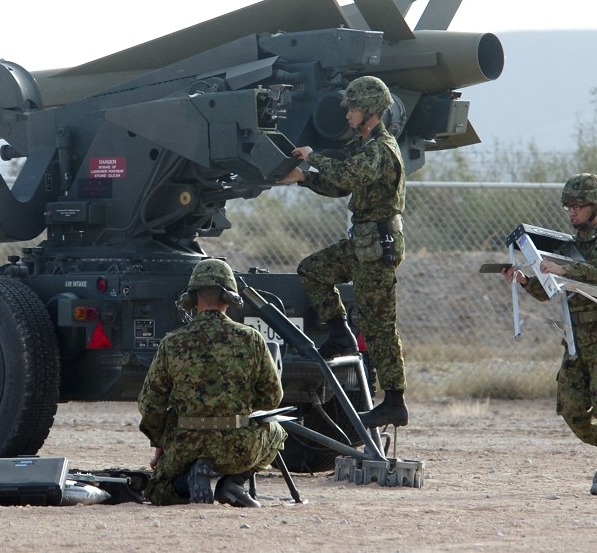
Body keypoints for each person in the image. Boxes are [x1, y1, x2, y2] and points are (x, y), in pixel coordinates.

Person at [278, 75, 407, 429]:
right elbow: (340, 186)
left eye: (353, 108)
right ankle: (339, 334)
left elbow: (347, 175)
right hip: (362, 244)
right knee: (313, 270)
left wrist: (312, 157)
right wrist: (304, 178)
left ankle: (395, 402)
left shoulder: (380, 150)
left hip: (376, 248)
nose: (347, 114)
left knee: (380, 326)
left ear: (370, 111)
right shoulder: (366, 146)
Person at [503, 173, 597, 497]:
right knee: (572, 408)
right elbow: (551, 291)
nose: (572, 212)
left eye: (578, 205)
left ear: (596, 207)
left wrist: (561, 269)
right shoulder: (570, 246)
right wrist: (524, 280)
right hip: (576, 336)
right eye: (568, 206)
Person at [137, 258, 287, 507]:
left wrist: (161, 443)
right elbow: (272, 397)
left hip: (185, 446)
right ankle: (233, 484)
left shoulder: (172, 342)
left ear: (191, 298)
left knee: (157, 491)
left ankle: (188, 481)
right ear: (230, 297)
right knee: (278, 433)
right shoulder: (251, 339)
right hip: (238, 446)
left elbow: (150, 405)